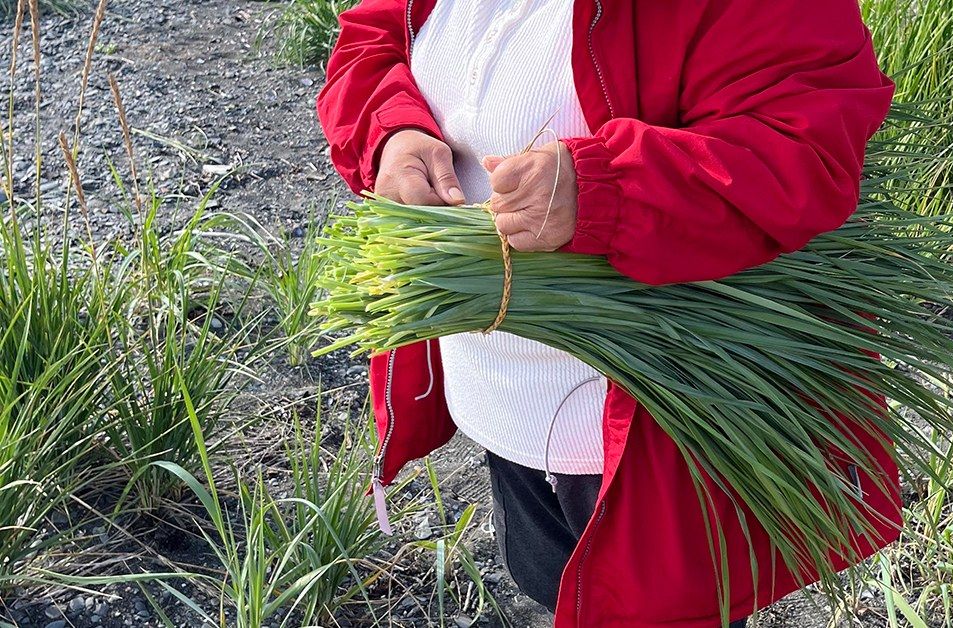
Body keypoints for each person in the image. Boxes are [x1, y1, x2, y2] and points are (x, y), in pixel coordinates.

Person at [317, 1, 899, 626]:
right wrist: (393, 131)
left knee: (641, 605)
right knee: (547, 582)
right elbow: (372, 36)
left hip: (651, 433)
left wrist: (604, 188)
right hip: (496, 393)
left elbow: (801, 145)